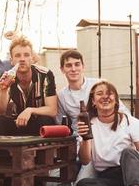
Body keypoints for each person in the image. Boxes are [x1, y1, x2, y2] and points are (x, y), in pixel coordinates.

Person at [56, 50, 130, 183]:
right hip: (83, 145)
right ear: (62, 69)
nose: (73, 69)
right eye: (68, 65)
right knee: (59, 178)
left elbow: (124, 113)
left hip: (106, 142)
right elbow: (60, 124)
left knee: (85, 180)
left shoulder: (99, 85)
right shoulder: (61, 95)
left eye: (77, 64)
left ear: (83, 66)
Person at [76, 81, 139, 186]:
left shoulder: (130, 121)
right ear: (93, 101)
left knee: (128, 152)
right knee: (83, 184)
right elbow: (85, 160)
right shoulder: (88, 124)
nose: (105, 97)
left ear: (116, 100)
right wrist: (85, 138)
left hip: (130, 173)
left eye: (109, 93)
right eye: (100, 93)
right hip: (107, 178)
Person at [0, 35, 57, 136]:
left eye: (26, 55)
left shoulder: (45, 75)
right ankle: (5, 152)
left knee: (46, 120)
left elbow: (52, 110)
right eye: (17, 55)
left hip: (37, 124)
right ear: (11, 60)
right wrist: (3, 90)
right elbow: (0, 111)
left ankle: (40, 152)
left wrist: (30, 110)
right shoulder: (7, 77)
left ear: (32, 58)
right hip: (16, 124)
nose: (22, 59)